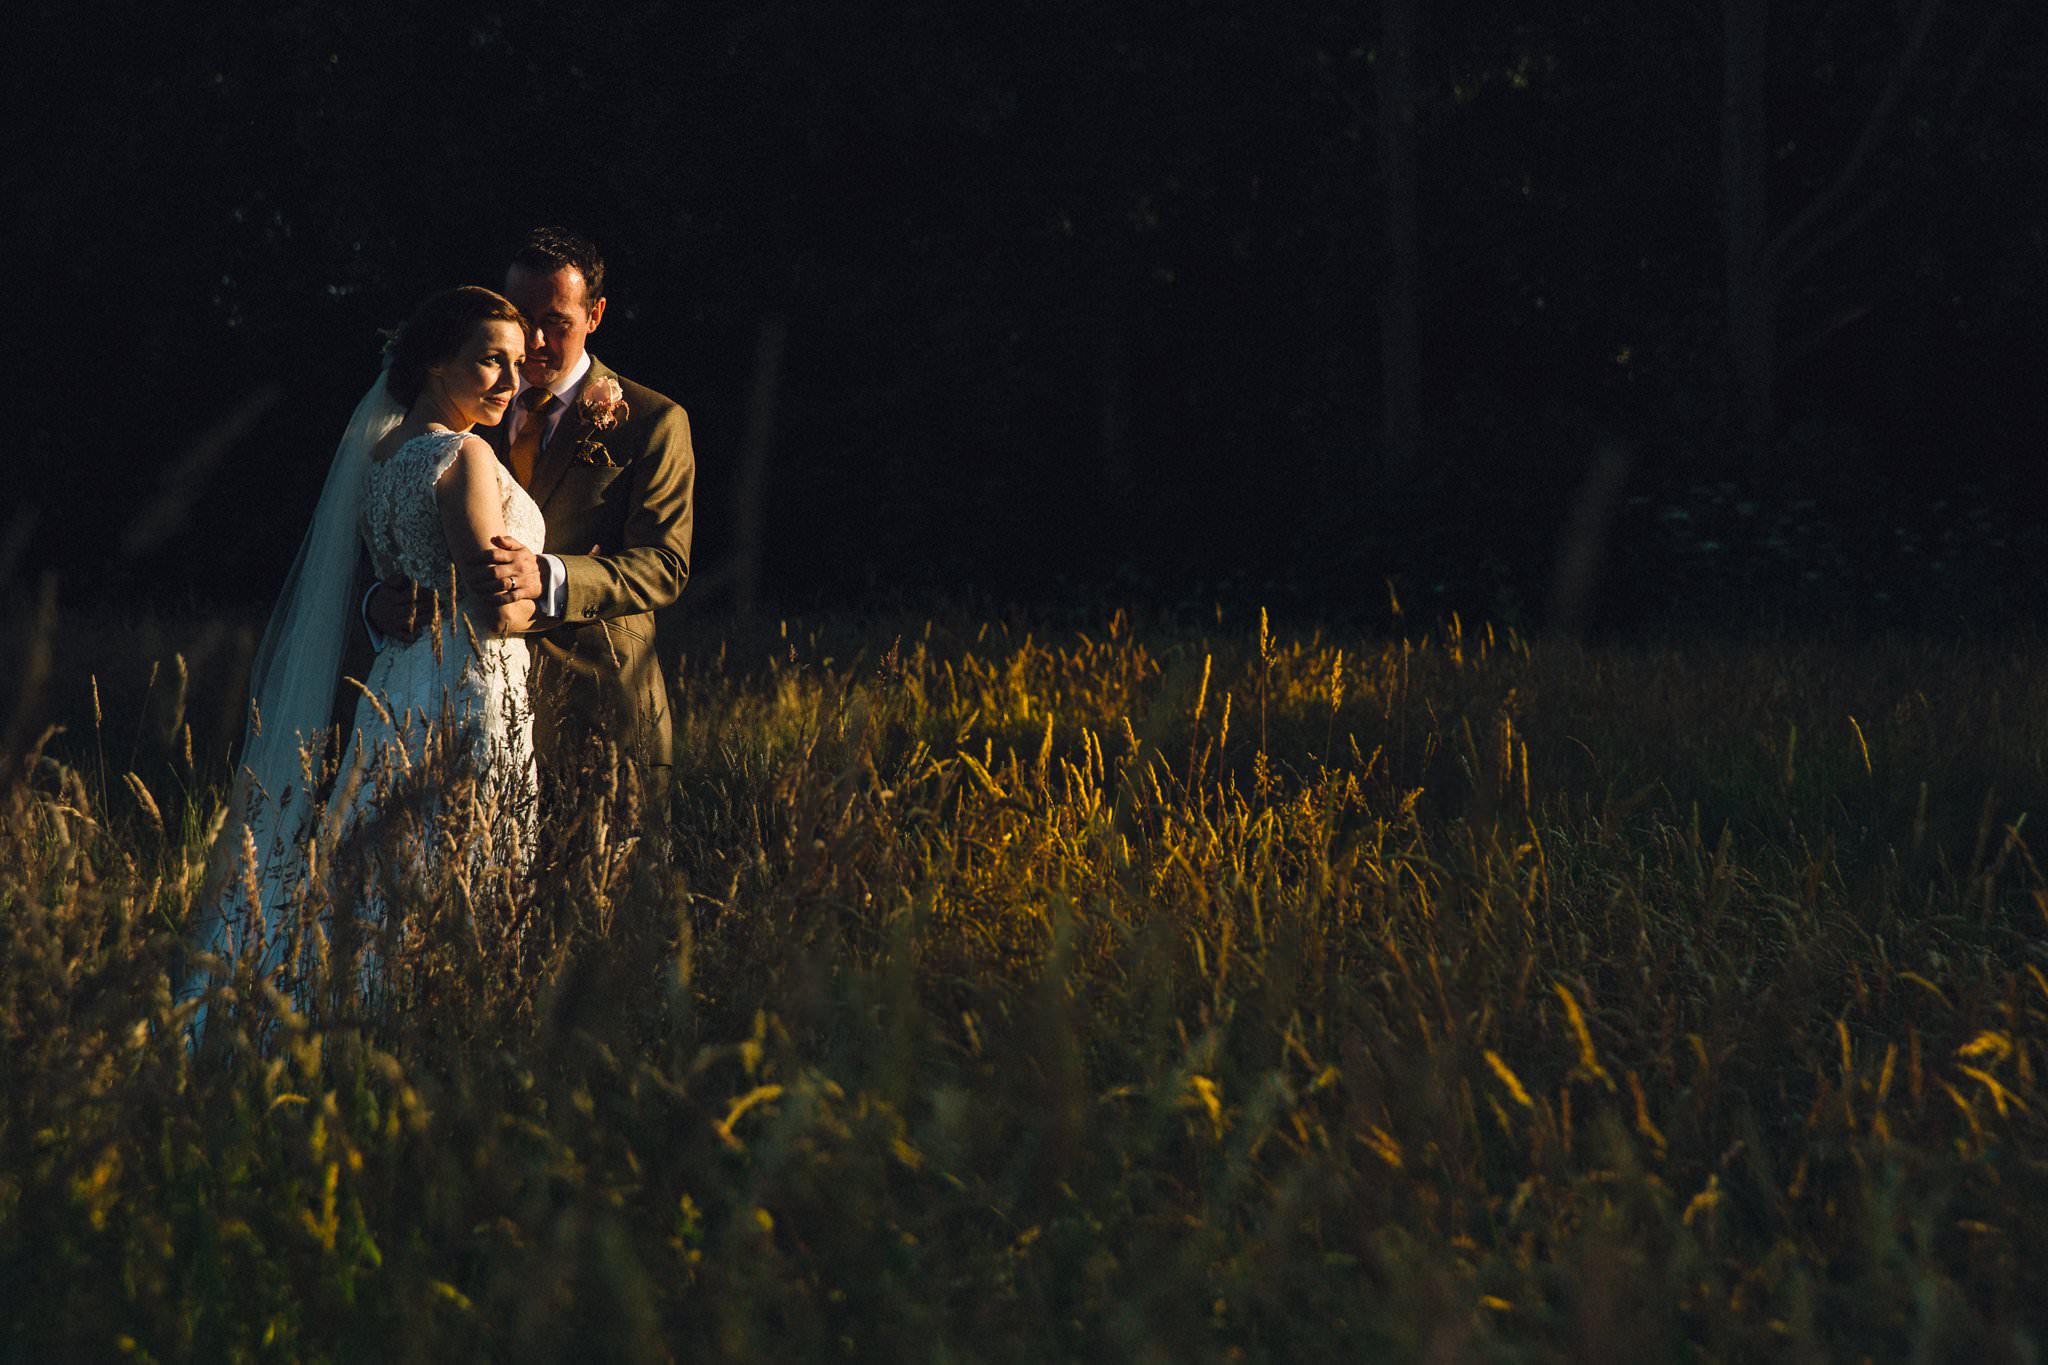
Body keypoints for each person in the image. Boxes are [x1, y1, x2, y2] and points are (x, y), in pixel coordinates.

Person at [190, 287, 544, 1009]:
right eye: (490, 363)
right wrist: (558, 594)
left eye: (515, 364)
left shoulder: (381, 460)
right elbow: (497, 606)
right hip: (469, 691)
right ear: (438, 363)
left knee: (386, 869)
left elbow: (403, 578)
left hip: (397, 688)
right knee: (462, 870)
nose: (511, 382)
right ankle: (436, 1022)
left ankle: (357, 1010)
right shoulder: (464, 456)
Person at [365, 228, 696, 802]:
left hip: (598, 712)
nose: (537, 340)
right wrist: (377, 602)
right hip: (459, 708)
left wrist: (553, 576)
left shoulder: (653, 420)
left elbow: (666, 563)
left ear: (595, 315)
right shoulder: (471, 407)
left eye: (558, 321)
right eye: (523, 316)